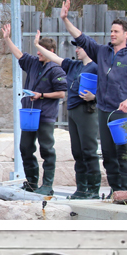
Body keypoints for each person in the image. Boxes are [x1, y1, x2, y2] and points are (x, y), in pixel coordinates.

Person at [59, 0, 127, 193]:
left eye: (116, 31)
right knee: (108, 154)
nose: (112, 34)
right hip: (103, 110)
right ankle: (116, 191)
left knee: (123, 152)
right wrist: (65, 20)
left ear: (126, 34)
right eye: (111, 31)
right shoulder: (102, 52)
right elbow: (82, 38)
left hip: (121, 112)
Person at [2, 22, 67, 196]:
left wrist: (42, 95)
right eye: (38, 50)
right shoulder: (33, 63)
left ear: (50, 52)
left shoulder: (57, 69)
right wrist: (7, 39)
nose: (38, 53)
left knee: (46, 149)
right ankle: (31, 182)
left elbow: (61, 93)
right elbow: (19, 55)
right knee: (25, 147)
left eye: (41, 50)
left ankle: (47, 184)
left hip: (45, 115)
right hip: (29, 114)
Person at [33, 31, 100, 199]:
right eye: (76, 47)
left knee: (89, 150)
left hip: (87, 111)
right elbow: (54, 58)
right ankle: (81, 188)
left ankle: (93, 190)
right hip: (73, 111)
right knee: (77, 151)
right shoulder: (73, 65)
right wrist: (37, 46)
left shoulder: (97, 66)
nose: (77, 50)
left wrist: (95, 96)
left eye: (80, 47)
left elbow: (108, 88)